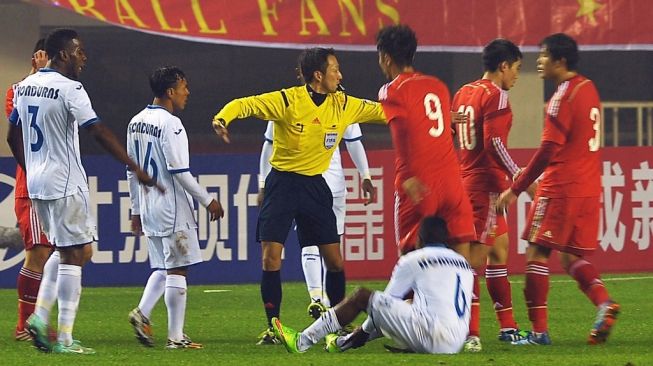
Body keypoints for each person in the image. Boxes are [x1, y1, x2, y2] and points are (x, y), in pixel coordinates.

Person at [211, 47, 386, 344]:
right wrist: (222, 118)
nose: (340, 75)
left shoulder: (343, 104)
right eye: (335, 70)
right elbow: (246, 104)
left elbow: (385, 112)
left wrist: (434, 117)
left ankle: (337, 321)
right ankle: (273, 326)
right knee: (270, 258)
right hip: (282, 185)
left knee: (334, 261)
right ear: (318, 75)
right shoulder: (287, 100)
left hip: (315, 187)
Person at [6, 28, 157, 354]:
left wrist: (30, 168)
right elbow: (98, 131)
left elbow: (11, 135)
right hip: (64, 182)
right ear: (62, 55)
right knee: (74, 255)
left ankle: (39, 318)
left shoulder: (25, 86)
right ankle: (64, 337)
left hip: (38, 184)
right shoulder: (70, 88)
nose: (84, 57)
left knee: (71, 250)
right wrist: (135, 167)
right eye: (79, 52)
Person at [496, 33, 620, 346]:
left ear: (560, 61)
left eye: (543, 56)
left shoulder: (561, 98)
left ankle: (539, 333)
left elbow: (548, 150)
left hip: (561, 187)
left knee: (537, 254)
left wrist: (516, 188)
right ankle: (604, 303)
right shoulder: (588, 88)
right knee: (570, 258)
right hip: (589, 187)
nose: (538, 62)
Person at [272, 215, 473, 354]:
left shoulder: (416, 259)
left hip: (432, 337)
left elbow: (383, 304)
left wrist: (362, 332)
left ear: (419, 239)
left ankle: (302, 341)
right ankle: (341, 343)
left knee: (362, 297)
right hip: (455, 342)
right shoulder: (463, 264)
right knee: (410, 304)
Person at [126, 66, 224, 349]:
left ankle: (142, 312)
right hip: (171, 207)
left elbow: (131, 171)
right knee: (178, 270)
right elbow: (180, 172)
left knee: (164, 266)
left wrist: (135, 210)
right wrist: (208, 200)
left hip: (148, 207)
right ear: (170, 91)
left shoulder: (135, 122)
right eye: (184, 86)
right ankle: (176, 337)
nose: (187, 92)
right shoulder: (172, 124)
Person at [451, 39, 532, 351]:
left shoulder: (463, 92)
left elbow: (453, 134)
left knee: (499, 252)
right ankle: (469, 333)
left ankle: (508, 327)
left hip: (469, 180)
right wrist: (520, 176)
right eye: (516, 69)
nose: (516, 76)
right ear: (503, 66)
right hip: (485, 186)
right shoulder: (497, 95)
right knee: (472, 261)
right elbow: (494, 144)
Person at [375, 25, 475, 259]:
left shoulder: (391, 90)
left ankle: (414, 298)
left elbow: (401, 132)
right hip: (452, 182)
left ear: (386, 57)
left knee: (410, 260)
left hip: (420, 183)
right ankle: (467, 297)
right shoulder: (438, 86)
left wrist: (408, 176)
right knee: (461, 260)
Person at [259, 120, 374, 319]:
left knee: (330, 254)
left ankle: (326, 306)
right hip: (304, 185)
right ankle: (318, 301)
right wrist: (263, 182)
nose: (337, 86)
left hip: (331, 188)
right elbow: (269, 143)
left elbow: (354, 141)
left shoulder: (341, 104)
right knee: (312, 245)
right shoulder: (288, 103)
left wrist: (366, 176)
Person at [5, 38, 52, 342]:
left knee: (53, 255)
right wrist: (39, 76)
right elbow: (17, 130)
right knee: (38, 253)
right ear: (37, 57)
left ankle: (37, 321)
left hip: (55, 187)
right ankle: (25, 325)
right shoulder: (18, 90)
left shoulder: (64, 90)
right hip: (31, 187)